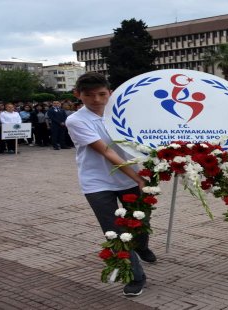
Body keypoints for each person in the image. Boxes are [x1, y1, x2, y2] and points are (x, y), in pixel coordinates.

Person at [65, 72, 156, 296]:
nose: (96, 100)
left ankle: (142, 247)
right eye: (89, 95)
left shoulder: (124, 113)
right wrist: (137, 178)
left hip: (132, 178)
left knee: (140, 222)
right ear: (78, 94)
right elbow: (105, 151)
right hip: (97, 182)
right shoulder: (76, 120)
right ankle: (136, 276)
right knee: (114, 231)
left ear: (111, 92)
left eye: (102, 94)